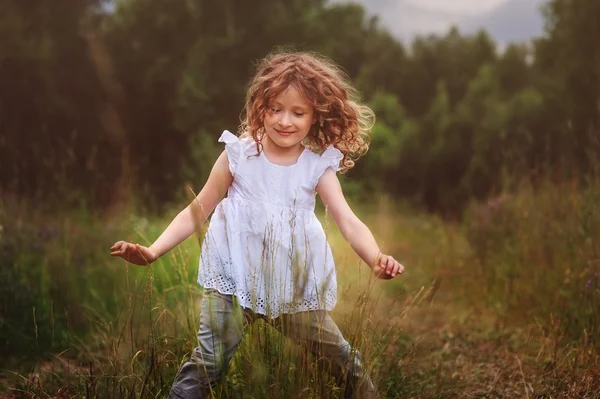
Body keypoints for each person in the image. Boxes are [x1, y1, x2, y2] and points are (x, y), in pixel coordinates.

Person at [110, 51, 405, 399]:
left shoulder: (316, 167)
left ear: (315, 117)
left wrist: (375, 257)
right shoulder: (239, 154)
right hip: (233, 280)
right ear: (260, 108)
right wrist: (153, 250)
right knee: (209, 362)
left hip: (292, 287)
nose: (285, 120)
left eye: (298, 112)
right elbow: (198, 208)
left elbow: (348, 220)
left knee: (340, 358)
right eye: (275, 108)